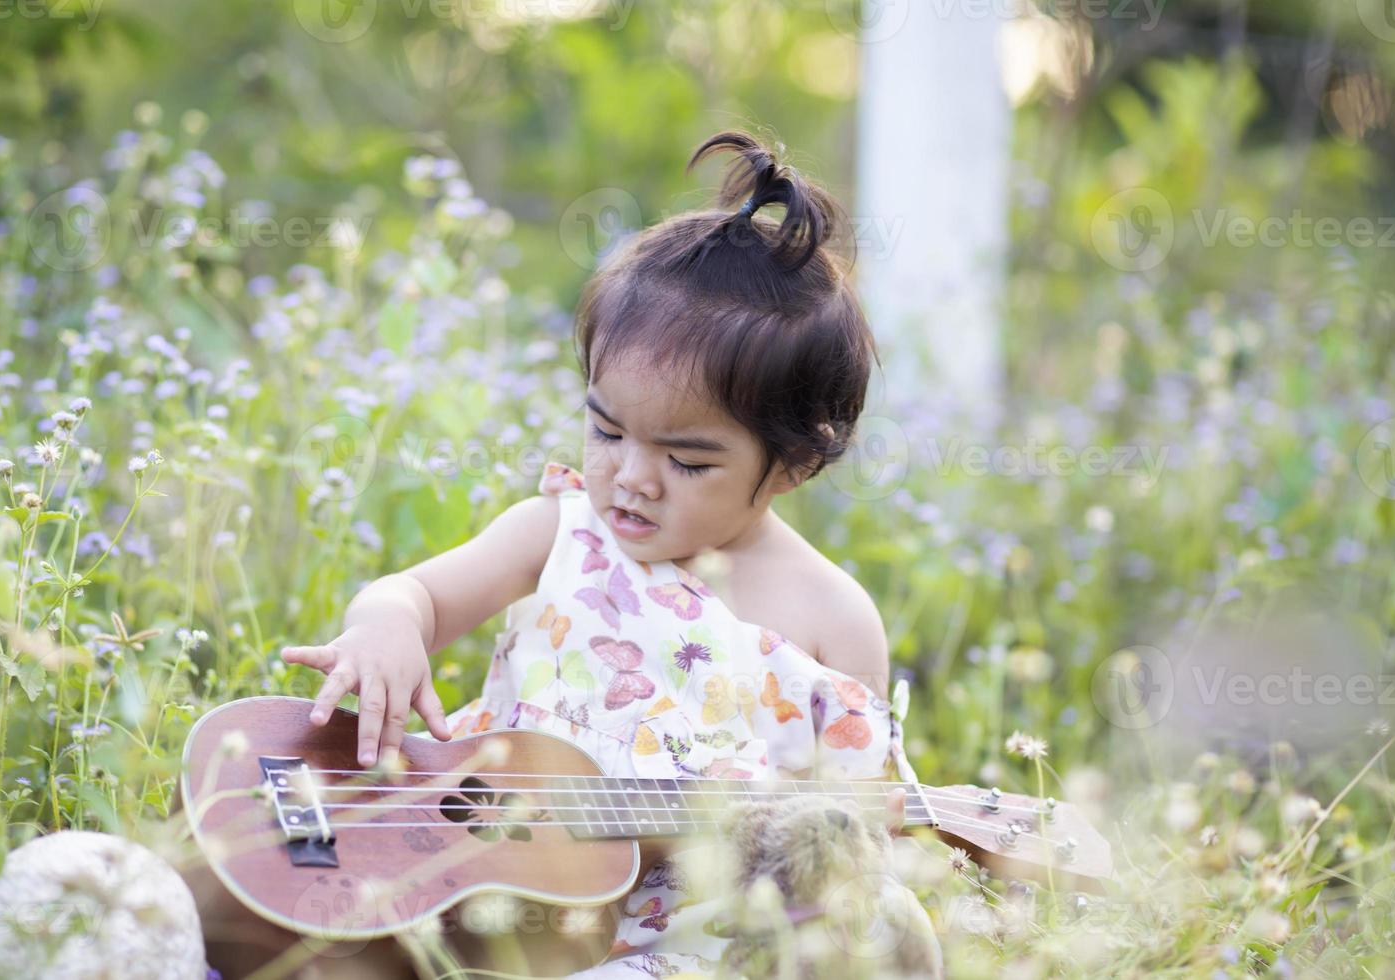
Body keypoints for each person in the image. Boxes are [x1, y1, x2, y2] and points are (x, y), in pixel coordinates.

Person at [280, 130, 929, 978]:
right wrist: (385, 628)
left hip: (689, 943)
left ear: (796, 463)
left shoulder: (834, 622)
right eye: (605, 429)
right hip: (488, 889)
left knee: (884, 929)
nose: (629, 477)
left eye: (685, 461)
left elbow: (838, 845)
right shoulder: (561, 532)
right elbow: (416, 597)